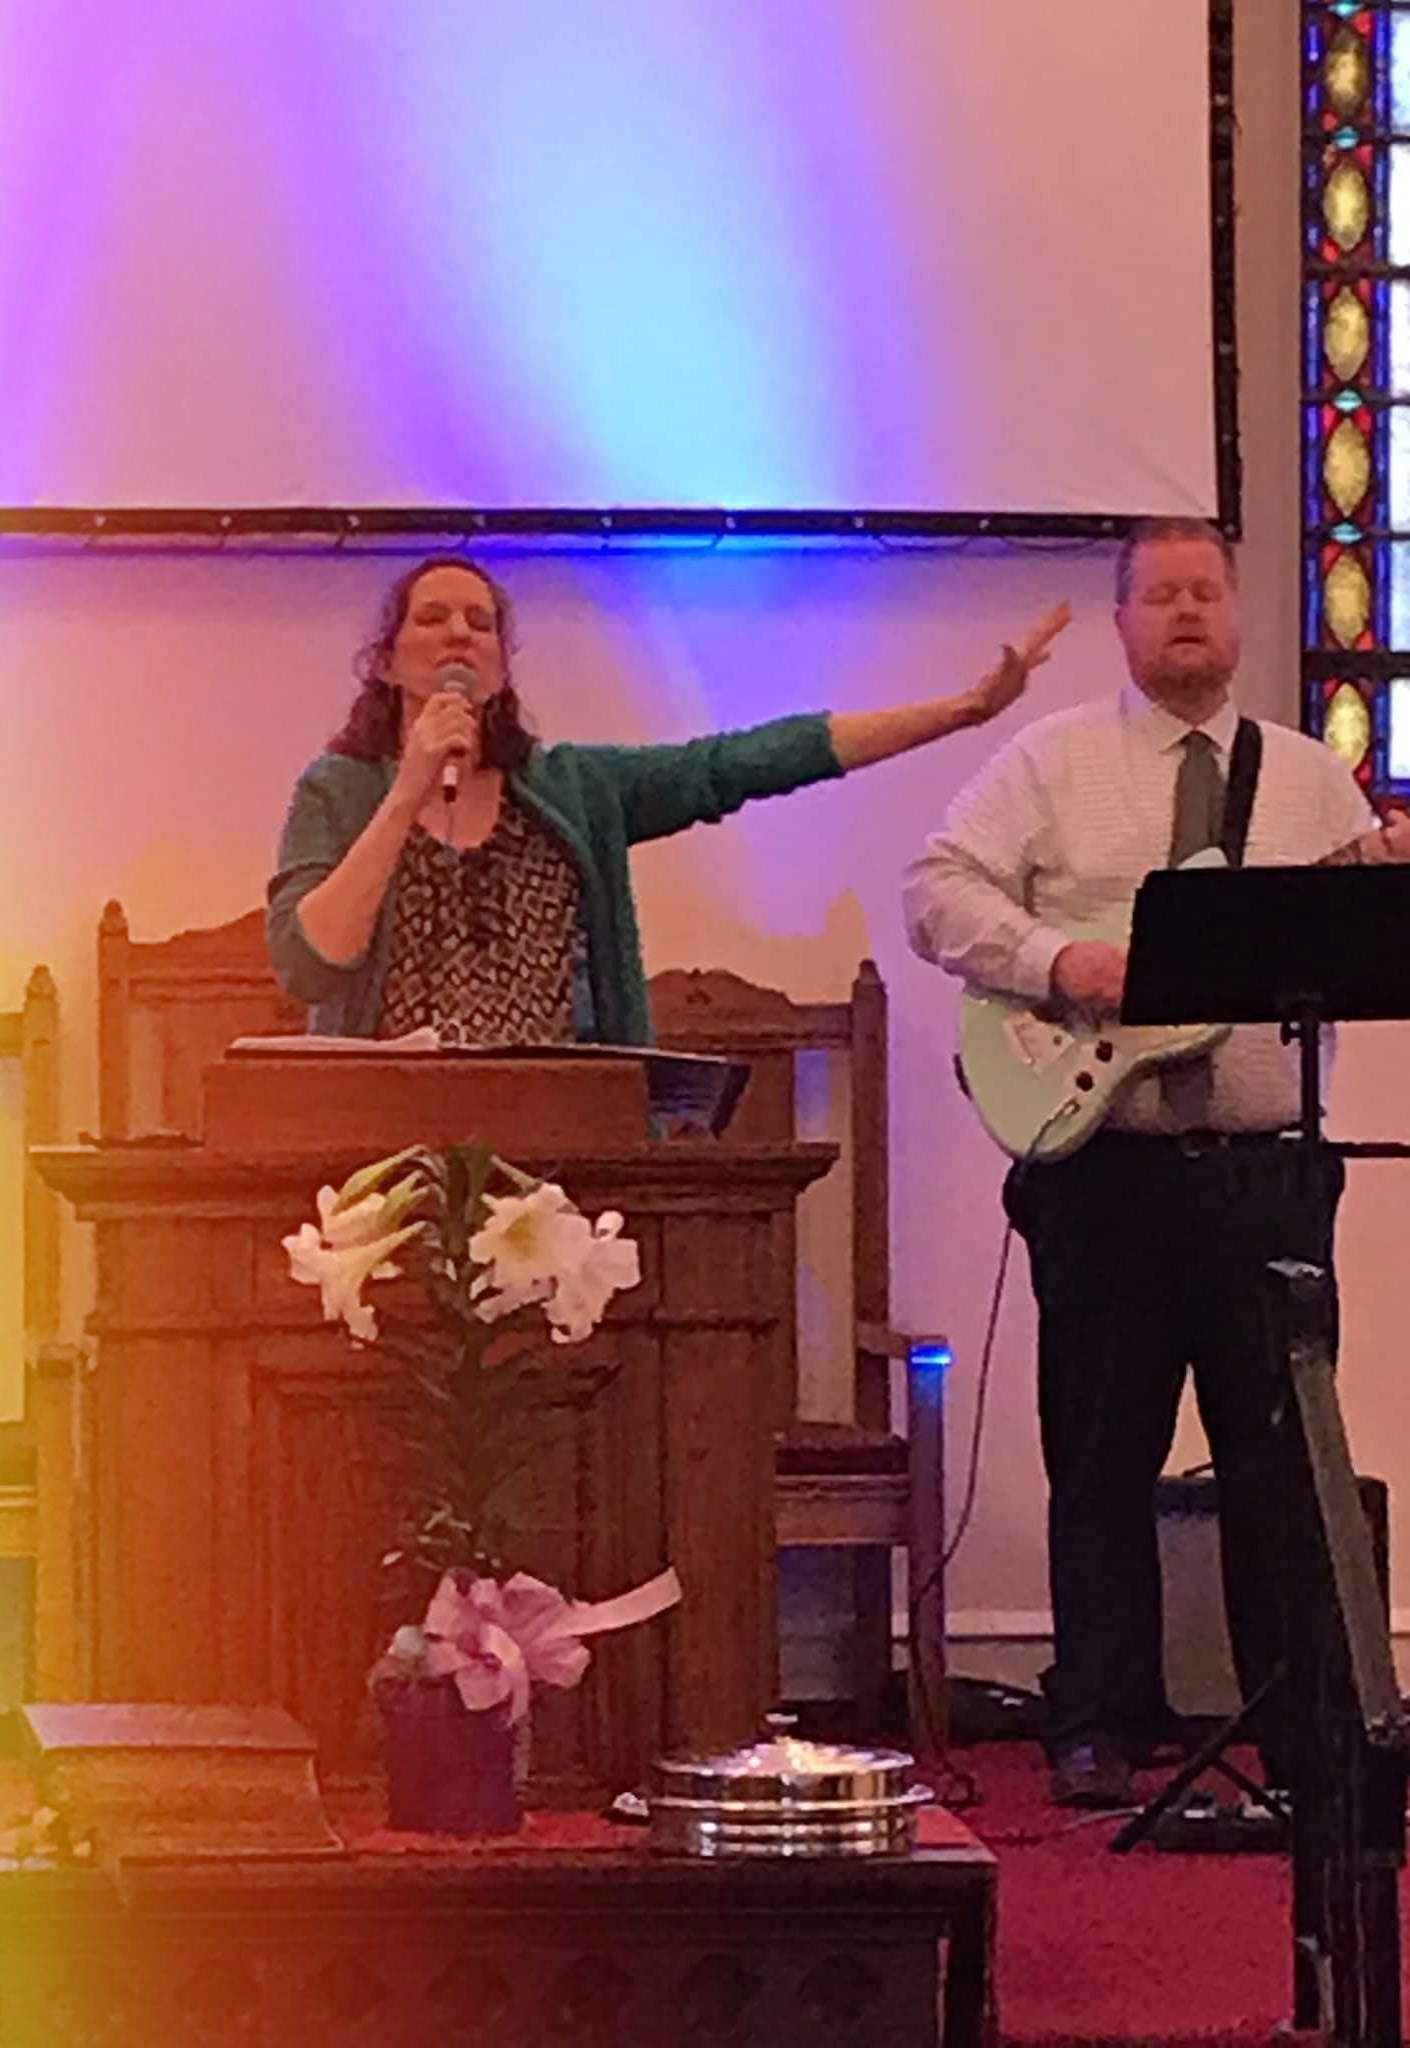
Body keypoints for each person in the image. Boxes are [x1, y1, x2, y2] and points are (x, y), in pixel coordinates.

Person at [903, 516, 1409, 1808]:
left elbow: (1358, 951)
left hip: (1265, 1172)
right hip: (1106, 1171)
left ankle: (1299, 1735)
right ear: (1122, 620)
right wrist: (1057, 959)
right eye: (1160, 593)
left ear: (1236, 614)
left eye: (1206, 591)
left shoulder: (1312, 782)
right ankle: (1097, 1722)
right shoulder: (1052, 761)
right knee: (1101, 1453)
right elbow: (937, 890)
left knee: (1282, 1465)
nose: (1186, 611)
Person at [267, 553, 1069, 1045]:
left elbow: (742, 762)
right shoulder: (337, 790)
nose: (459, 634)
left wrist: (960, 711)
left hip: (555, 1141)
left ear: (502, 668)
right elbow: (309, 964)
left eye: (481, 623)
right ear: (385, 660)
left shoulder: (575, 789)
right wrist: (408, 790)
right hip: (383, 1150)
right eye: (432, 618)